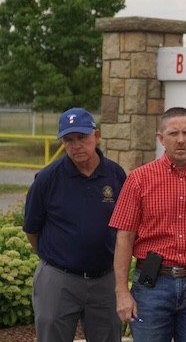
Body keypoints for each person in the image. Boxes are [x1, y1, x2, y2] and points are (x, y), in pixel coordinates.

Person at [109, 107, 186, 341]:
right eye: (173, 133)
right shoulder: (138, 179)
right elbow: (124, 237)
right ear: (161, 138)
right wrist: (122, 292)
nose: (180, 140)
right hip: (152, 288)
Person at [23, 107, 126, 342]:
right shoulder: (47, 178)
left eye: (82, 138)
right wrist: (58, 259)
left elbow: (125, 228)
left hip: (104, 279)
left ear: (96, 136)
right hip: (59, 279)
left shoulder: (115, 175)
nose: (76, 145)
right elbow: (32, 230)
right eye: (68, 140)